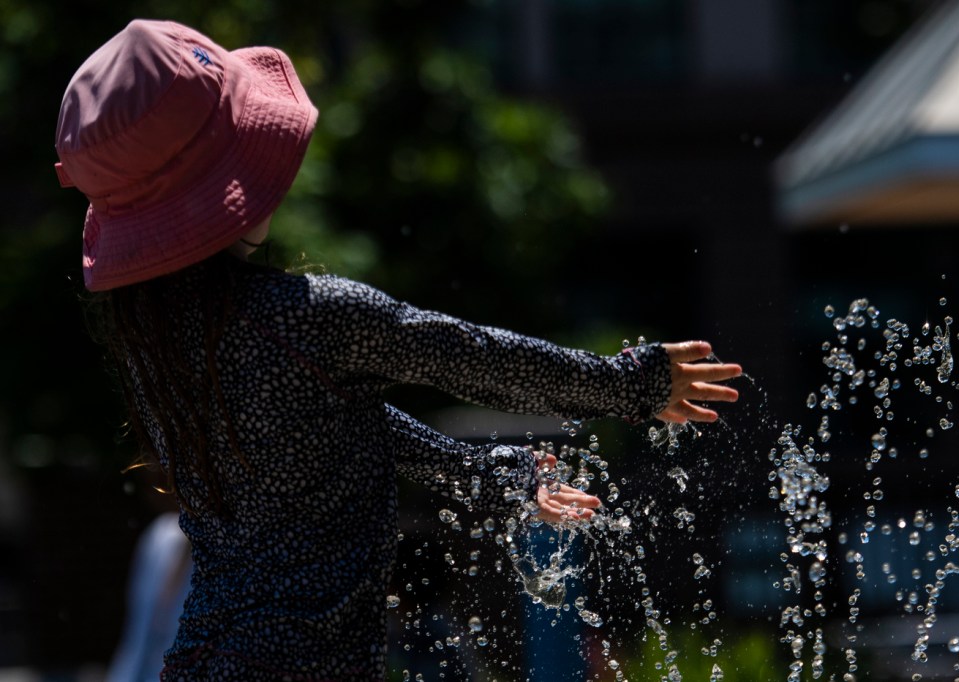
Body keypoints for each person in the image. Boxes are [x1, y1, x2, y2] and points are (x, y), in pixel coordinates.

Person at [55, 19, 742, 681]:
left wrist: (492, 478)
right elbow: (469, 358)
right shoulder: (312, 319)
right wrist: (628, 386)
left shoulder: (161, 346)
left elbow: (343, 427)